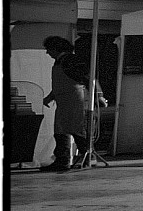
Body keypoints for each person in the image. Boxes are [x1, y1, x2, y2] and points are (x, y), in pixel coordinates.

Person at [41, 36, 99, 171]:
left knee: (77, 129)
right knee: (60, 131)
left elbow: (88, 78)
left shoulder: (71, 60)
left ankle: (89, 157)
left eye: (48, 49)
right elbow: (59, 84)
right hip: (63, 102)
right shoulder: (58, 62)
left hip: (75, 101)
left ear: (56, 48)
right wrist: (50, 97)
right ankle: (62, 160)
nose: (47, 53)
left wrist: (98, 96)